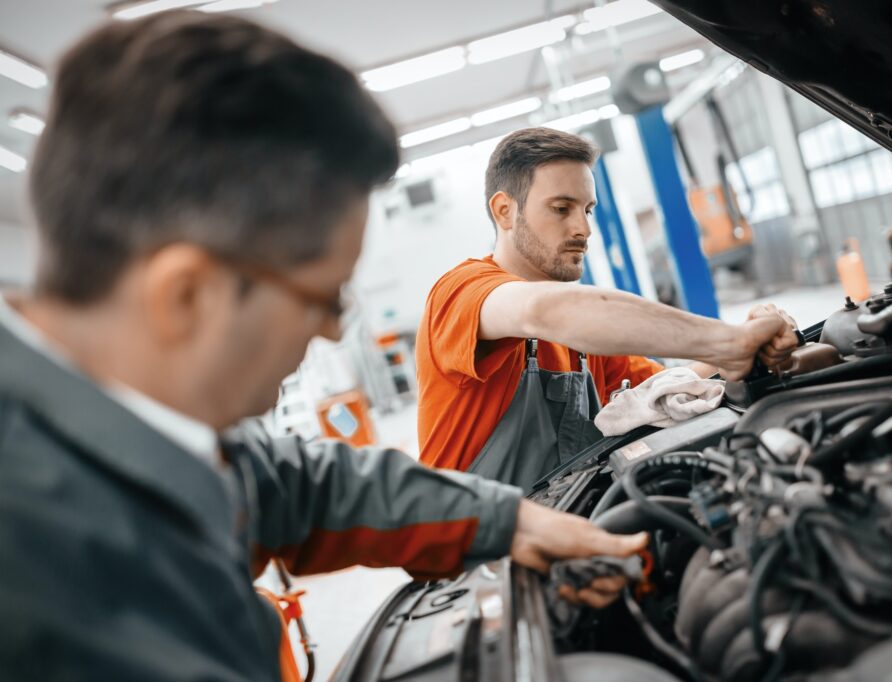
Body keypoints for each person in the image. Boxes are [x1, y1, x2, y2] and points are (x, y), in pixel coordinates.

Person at [0, 14, 648, 681]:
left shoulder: (145, 422)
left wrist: (509, 520)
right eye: (325, 297)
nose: (335, 332)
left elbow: (298, 485)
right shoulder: (47, 596)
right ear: (186, 296)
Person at [417, 127, 798, 489]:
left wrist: (748, 341)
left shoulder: (583, 336)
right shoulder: (462, 291)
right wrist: (726, 342)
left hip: (560, 524)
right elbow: (540, 311)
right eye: (562, 208)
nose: (584, 229)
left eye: (588, 210)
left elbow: (658, 390)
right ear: (504, 211)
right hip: (472, 549)